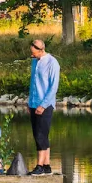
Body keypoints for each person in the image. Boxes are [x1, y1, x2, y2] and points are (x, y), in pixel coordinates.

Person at [27, 38, 59, 175]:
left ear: (41, 50)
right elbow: (33, 83)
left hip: (45, 105)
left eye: (34, 53)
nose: (32, 55)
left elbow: (53, 87)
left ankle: (39, 166)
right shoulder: (35, 61)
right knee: (39, 135)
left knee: (41, 135)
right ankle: (46, 165)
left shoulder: (52, 63)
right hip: (34, 103)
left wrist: (43, 105)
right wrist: (30, 102)